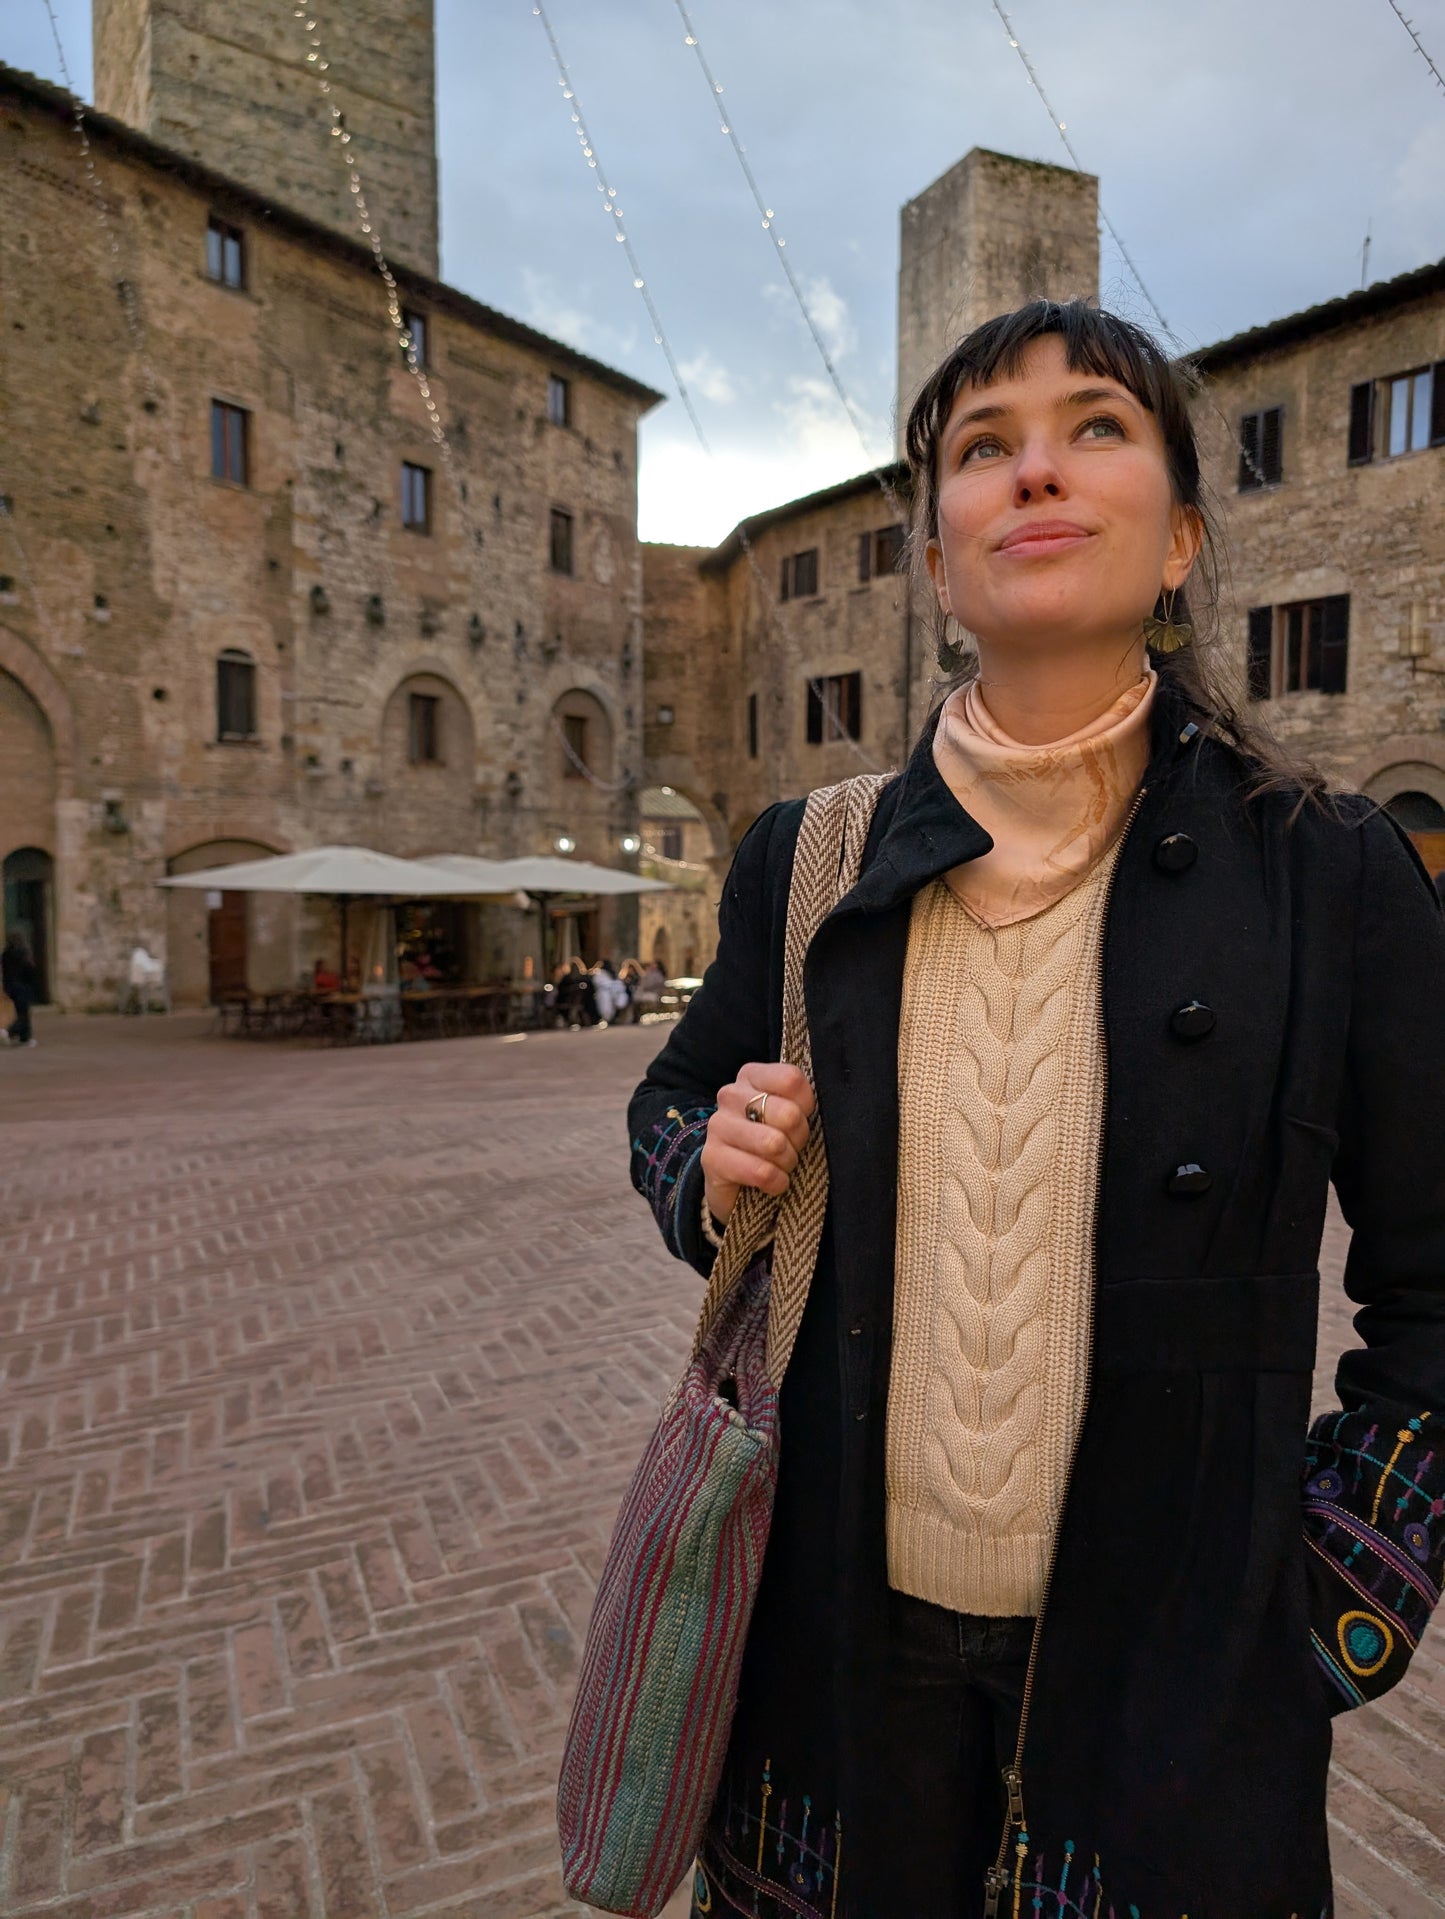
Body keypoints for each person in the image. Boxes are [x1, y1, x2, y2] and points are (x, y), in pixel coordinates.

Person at [627, 301, 1445, 1919]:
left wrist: (1350, 1570)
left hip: (1173, 1696)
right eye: (984, 447)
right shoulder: (808, 858)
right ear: (940, 559)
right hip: (832, 1678)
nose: (1035, 470)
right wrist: (711, 1167)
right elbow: (667, 1101)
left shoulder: (1329, 870)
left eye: (1094, 427)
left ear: (1182, 536)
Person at [2, 931, 39, 1046]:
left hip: (11, 987)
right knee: (23, 1015)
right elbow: (29, 970)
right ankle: (8, 1031)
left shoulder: (5, 954)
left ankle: (25, 1038)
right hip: (23, 988)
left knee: (21, 1013)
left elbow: (5, 972)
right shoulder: (23, 954)